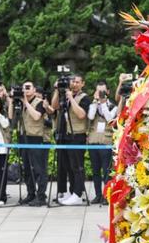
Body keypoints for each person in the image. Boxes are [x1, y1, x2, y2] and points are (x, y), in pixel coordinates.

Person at [51, 74, 91, 206]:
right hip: (66, 134)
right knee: (68, 165)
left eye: (77, 82)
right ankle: (72, 191)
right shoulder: (66, 95)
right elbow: (54, 107)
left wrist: (71, 98)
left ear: (82, 84)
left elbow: (81, 115)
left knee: (77, 165)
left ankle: (78, 194)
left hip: (78, 134)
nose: (74, 84)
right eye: (72, 82)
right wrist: (57, 91)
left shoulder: (84, 98)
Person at [10, 82, 48, 207]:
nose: (25, 90)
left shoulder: (40, 102)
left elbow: (37, 116)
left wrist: (25, 102)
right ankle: (31, 193)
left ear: (34, 89)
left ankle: (41, 196)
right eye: (23, 88)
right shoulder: (19, 102)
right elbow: (11, 116)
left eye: (28, 88)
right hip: (22, 136)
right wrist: (12, 101)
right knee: (26, 168)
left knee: (38, 168)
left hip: (35, 137)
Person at [87, 81, 117, 204]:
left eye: (103, 91)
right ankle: (97, 195)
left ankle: (106, 195)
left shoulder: (113, 106)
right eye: (98, 91)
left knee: (106, 171)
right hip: (93, 141)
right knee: (95, 171)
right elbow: (90, 116)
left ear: (108, 92)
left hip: (106, 142)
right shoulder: (93, 105)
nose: (100, 94)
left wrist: (103, 104)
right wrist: (95, 102)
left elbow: (110, 119)